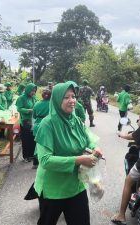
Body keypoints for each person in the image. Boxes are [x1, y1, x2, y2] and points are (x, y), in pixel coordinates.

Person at [34, 82, 103, 225]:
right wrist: (79, 160)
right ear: (57, 100)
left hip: (76, 185)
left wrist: (95, 148)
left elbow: (88, 141)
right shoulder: (47, 124)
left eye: (73, 96)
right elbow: (45, 160)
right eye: (66, 97)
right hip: (53, 188)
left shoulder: (76, 120)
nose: (72, 101)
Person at [16, 83, 37, 162]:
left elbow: (36, 104)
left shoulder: (33, 98)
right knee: (26, 139)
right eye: (32, 91)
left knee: (32, 138)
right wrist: (29, 110)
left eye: (34, 91)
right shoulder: (21, 98)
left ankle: (32, 155)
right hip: (25, 121)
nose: (33, 92)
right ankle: (26, 156)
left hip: (32, 120)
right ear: (28, 90)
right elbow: (19, 109)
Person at [32, 88, 51, 168]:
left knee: (38, 143)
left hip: (37, 125)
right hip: (47, 124)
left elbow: (34, 116)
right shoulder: (52, 104)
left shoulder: (36, 104)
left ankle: (35, 162)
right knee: (45, 144)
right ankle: (44, 161)